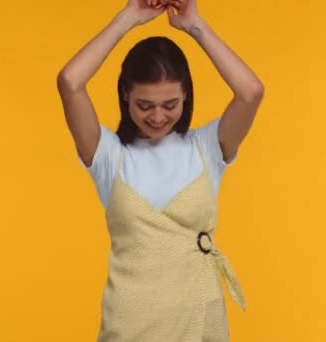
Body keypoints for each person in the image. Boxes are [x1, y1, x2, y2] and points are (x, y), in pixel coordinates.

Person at [56, 0, 264, 340]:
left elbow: (251, 92)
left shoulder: (206, 148)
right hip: (130, 326)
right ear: (125, 96)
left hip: (200, 320)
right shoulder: (109, 155)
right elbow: (70, 81)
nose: (157, 117)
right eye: (144, 105)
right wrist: (127, 19)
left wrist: (195, 26)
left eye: (170, 105)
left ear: (186, 96)